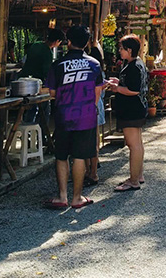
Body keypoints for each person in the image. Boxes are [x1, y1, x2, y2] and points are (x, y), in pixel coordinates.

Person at [44, 25, 103, 209]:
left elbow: (52, 92)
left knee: (61, 156)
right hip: (86, 117)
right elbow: (97, 92)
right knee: (79, 156)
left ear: (68, 42)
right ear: (86, 44)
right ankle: (77, 198)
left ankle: (62, 196)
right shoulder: (94, 64)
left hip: (63, 116)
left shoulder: (58, 65)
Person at [107, 34, 149, 192]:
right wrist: (118, 83)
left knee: (133, 145)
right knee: (137, 143)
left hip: (132, 110)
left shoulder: (134, 66)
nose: (120, 51)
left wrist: (117, 88)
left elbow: (133, 90)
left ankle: (133, 180)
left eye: (122, 48)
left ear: (129, 50)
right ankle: (138, 175)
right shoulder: (136, 64)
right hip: (135, 109)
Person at [85, 40, 106, 187]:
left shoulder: (90, 68)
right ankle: (93, 168)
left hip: (89, 105)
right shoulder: (99, 69)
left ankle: (90, 170)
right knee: (94, 137)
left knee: (87, 139)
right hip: (96, 105)